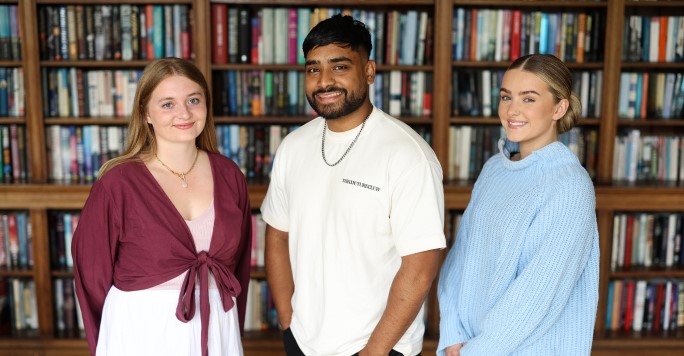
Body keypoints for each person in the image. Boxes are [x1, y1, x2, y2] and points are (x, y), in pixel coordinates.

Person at [261, 14, 446, 356]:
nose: (324, 81)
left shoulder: (407, 154)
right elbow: (277, 235)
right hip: (303, 342)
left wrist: (373, 353)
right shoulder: (293, 146)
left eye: (340, 66)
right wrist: (288, 324)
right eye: (313, 69)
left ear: (369, 71)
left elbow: (420, 268)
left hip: (380, 348)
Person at [71, 58, 252, 356]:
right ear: (146, 114)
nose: (184, 113)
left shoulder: (230, 175)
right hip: (141, 333)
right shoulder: (117, 183)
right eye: (168, 104)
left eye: (193, 100)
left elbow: (239, 269)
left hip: (217, 326)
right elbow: (92, 277)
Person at [437, 54, 600, 356]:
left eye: (528, 99)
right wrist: (452, 333)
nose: (512, 110)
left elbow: (538, 296)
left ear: (559, 107)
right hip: (465, 345)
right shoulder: (494, 170)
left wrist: (476, 351)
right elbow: (461, 257)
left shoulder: (570, 187)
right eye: (506, 97)